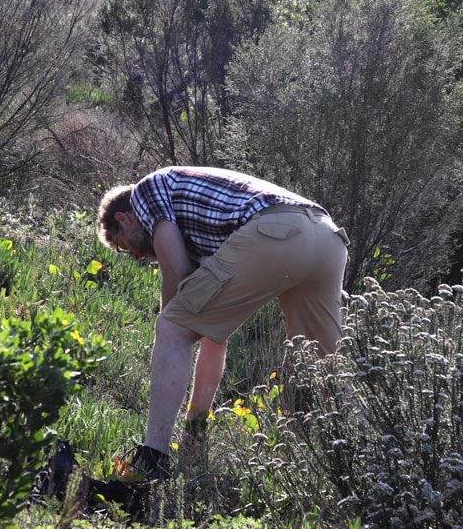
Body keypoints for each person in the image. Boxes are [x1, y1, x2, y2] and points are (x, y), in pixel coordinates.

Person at [89, 166, 348, 509]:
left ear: (126, 219)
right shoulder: (206, 235)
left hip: (278, 230)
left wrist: (172, 324)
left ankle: (152, 460)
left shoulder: (147, 192)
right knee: (322, 367)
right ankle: (356, 467)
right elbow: (214, 334)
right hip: (326, 237)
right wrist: (197, 424)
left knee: (171, 326)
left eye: (124, 247)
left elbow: (176, 276)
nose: (136, 257)